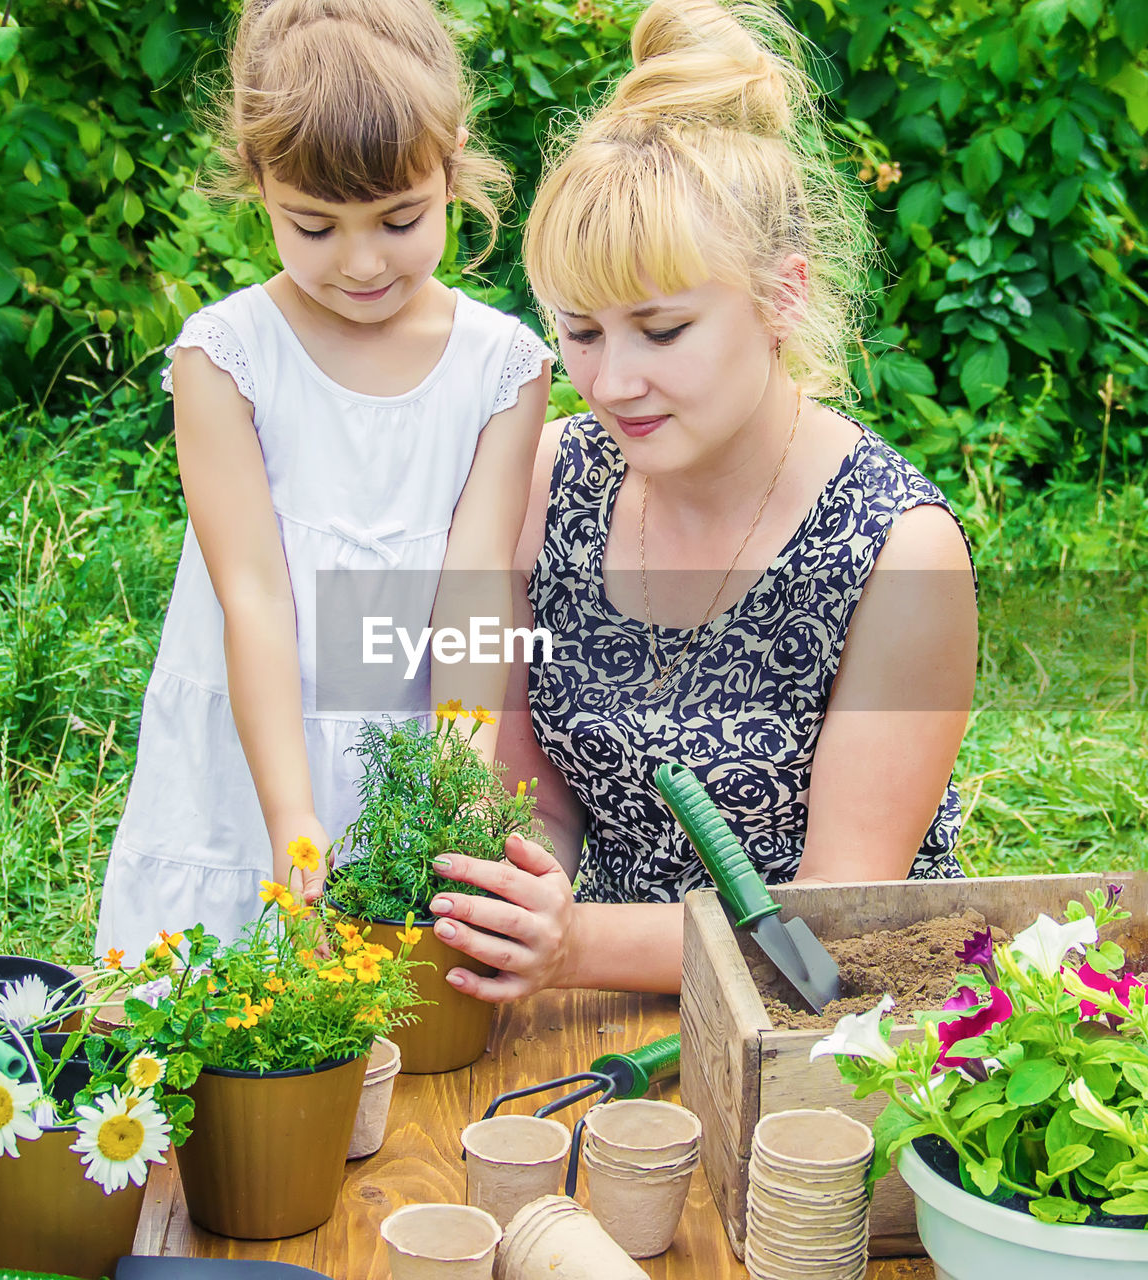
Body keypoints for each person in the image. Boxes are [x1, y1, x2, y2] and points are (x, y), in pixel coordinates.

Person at [425, 0, 978, 1000]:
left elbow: (836, 919)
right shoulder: (549, 482)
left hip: (836, 1039)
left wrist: (573, 942)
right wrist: (512, 894)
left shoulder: (897, 551)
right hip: (589, 1009)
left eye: (661, 329)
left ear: (783, 295)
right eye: (580, 332)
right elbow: (530, 803)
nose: (610, 381)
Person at [95, 0, 551, 957]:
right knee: (216, 1009)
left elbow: (474, 593)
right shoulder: (227, 358)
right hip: (254, 743)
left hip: (407, 726)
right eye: (314, 226)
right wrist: (291, 814)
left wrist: (449, 786)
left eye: (400, 219)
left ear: (452, 160)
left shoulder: (501, 367)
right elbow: (253, 596)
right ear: (259, 184)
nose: (361, 262)